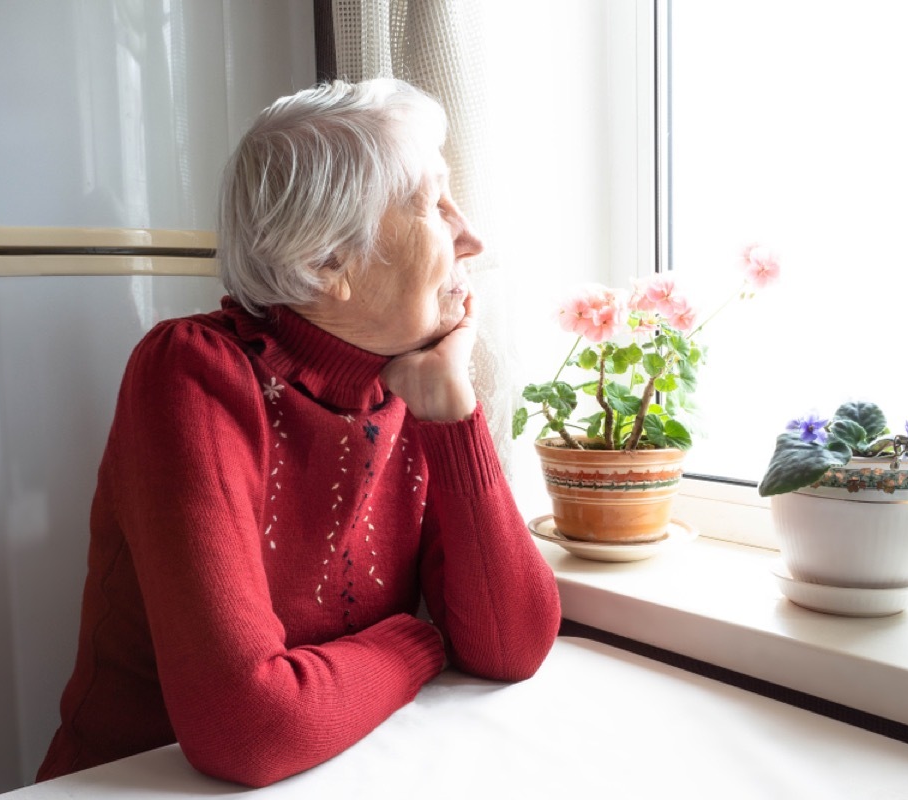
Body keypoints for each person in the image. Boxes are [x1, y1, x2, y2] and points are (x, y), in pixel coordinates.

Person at [37, 78, 561, 788]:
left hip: (336, 765)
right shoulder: (191, 373)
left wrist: (452, 413)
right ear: (326, 263)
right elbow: (248, 730)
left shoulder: (408, 379)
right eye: (433, 206)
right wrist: (416, 642)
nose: (472, 236)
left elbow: (514, 644)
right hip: (138, 783)